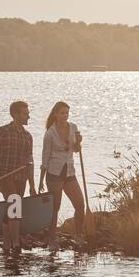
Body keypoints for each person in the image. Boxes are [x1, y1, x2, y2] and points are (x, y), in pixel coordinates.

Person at [0, 100, 37, 256]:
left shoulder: (28, 136)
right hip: (4, 176)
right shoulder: (2, 131)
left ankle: (7, 243)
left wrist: (32, 185)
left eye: (28, 113)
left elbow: (30, 162)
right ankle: (16, 244)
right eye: (25, 113)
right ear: (15, 114)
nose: (28, 116)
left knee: (11, 208)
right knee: (15, 204)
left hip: (21, 177)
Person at [38, 101, 86, 251]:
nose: (65, 115)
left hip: (70, 172)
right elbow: (45, 157)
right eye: (62, 113)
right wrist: (40, 180)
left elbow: (76, 150)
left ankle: (78, 236)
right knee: (55, 207)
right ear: (56, 114)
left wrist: (79, 142)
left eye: (67, 112)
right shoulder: (50, 133)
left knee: (80, 204)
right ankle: (52, 240)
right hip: (54, 174)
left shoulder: (73, 128)